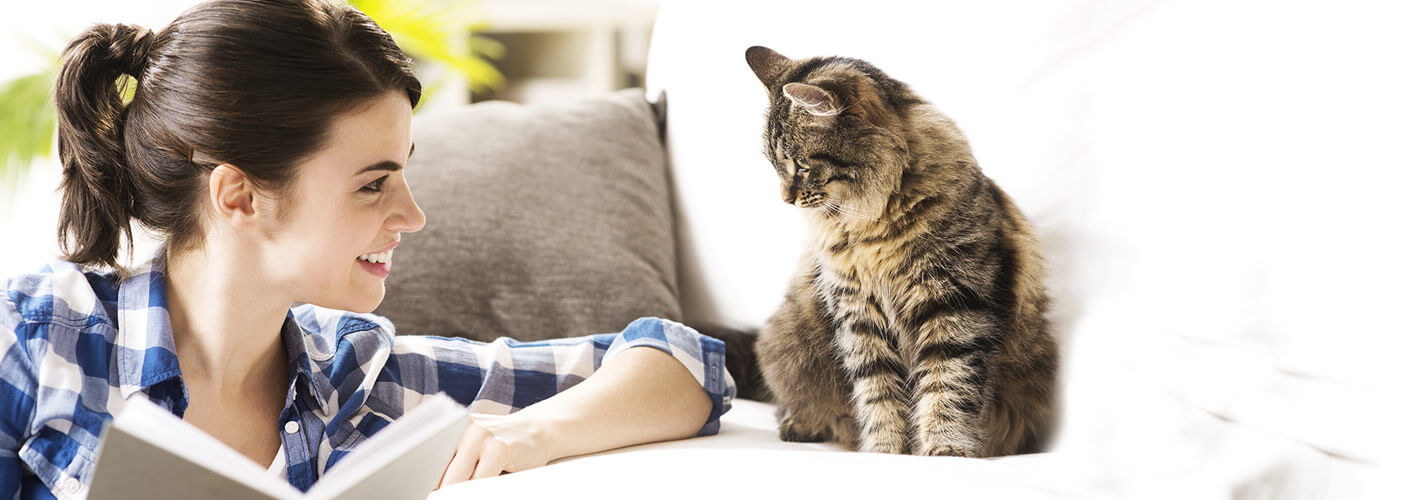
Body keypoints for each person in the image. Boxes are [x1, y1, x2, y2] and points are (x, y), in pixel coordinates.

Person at [0, 0, 734, 498]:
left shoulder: (359, 372)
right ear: (239, 196)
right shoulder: (38, 341)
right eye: (373, 185)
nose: (412, 216)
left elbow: (685, 366)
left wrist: (533, 433)